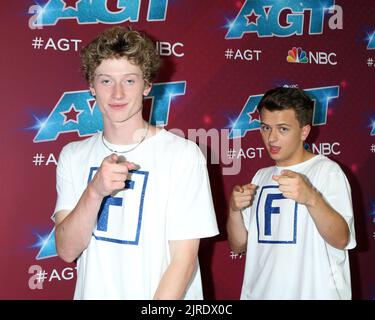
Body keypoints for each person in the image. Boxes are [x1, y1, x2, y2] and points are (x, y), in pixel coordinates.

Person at [53, 26, 219, 300]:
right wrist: (94, 192)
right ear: (92, 86)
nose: (117, 93)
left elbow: (184, 259)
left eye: (129, 81)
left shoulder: (183, 154)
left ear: (147, 84)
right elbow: (67, 250)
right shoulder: (73, 155)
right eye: (106, 81)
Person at [226, 87, 356, 299]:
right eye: (266, 128)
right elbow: (239, 245)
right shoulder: (260, 177)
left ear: (304, 131)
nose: (272, 138)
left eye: (283, 129)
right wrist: (233, 211)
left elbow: (342, 239)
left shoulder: (326, 171)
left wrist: (312, 198)